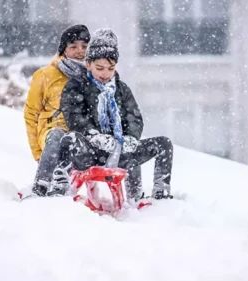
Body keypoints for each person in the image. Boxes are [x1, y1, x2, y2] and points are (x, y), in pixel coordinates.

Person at [60, 28, 174, 200]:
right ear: (88, 64)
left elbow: (134, 117)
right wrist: (93, 135)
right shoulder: (76, 87)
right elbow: (74, 117)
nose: (105, 74)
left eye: (110, 68)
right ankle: (58, 189)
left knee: (164, 144)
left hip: (120, 152)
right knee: (69, 139)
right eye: (100, 68)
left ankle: (161, 193)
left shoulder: (121, 89)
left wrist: (131, 137)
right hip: (90, 152)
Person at [24, 24, 91, 197]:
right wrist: (38, 153)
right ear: (63, 50)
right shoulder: (46, 75)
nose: (80, 51)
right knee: (57, 135)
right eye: (73, 46)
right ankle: (41, 185)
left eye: (84, 46)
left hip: (80, 135)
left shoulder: (94, 75)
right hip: (51, 133)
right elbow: (31, 114)